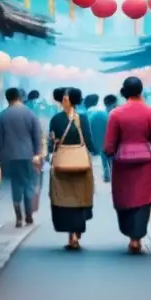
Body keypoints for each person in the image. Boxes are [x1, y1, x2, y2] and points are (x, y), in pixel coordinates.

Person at [105, 77, 151, 254]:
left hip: (122, 163)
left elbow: (110, 143)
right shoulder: (150, 113)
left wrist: (110, 153)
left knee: (124, 198)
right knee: (143, 199)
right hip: (146, 162)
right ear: (141, 91)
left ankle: (129, 232)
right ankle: (136, 237)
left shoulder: (116, 114)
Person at [47, 88, 95, 250]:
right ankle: (76, 232)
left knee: (64, 198)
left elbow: (50, 144)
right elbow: (88, 140)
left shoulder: (56, 119)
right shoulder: (83, 118)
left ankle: (71, 235)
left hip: (62, 164)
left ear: (65, 100)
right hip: (80, 164)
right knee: (80, 197)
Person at [0, 87, 43, 228]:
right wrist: (38, 154)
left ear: (7, 98)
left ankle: (18, 217)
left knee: (16, 184)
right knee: (28, 184)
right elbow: (37, 135)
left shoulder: (2, 116)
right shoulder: (30, 114)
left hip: (9, 157)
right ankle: (28, 215)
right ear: (20, 97)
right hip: (28, 156)